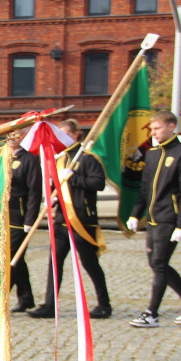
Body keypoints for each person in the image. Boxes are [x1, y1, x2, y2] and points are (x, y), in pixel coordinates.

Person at [127, 110, 181, 328]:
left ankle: (151, 313)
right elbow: (145, 188)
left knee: (160, 264)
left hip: (169, 219)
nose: (154, 133)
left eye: (157, 129)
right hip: (153, 219)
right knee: (156, 263)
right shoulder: (152, 153)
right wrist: (136, 213)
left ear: (171, 126)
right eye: (152, 129)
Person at [29, 120, 112, 319]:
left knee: (90, 263)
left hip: (81, 220)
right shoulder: (60, 160)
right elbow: (56, 189)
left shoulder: (88, 158)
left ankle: (104, 304)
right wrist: (50, 188)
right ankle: (50, 304)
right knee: (55, 263)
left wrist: (73, 177)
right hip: (61, 221)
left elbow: (98, 183)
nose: (62, 139)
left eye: (66, 134)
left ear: (76, 134)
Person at [3, 129, 43, 313]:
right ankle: (26, 298)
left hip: (20, 217)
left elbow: (34, 191)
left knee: (11, 258)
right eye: (11, 135)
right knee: (18, 260)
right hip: (4, 215)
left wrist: (30, 219)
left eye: (18, 135)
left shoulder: (30, 159)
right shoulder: (3, 156)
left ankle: (1, 299)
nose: (14, 138)